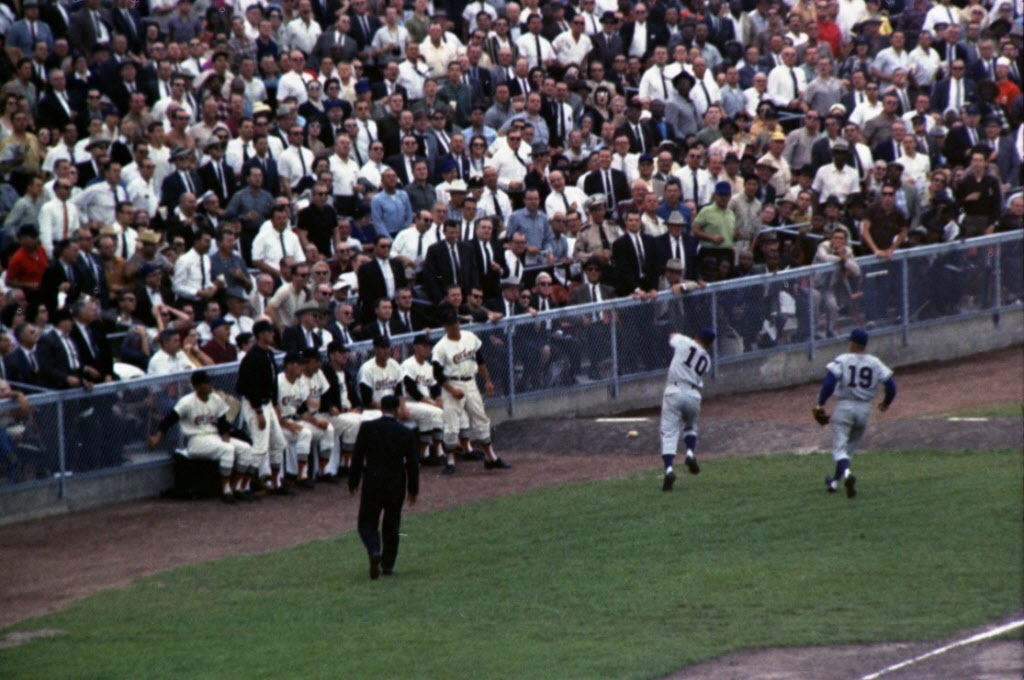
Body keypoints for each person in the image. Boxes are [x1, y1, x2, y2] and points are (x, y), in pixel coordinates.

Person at [148, 370, 255, 503]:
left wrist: (226, 435)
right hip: (196, 440)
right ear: (197, 386)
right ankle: (226, 491)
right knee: (227, 449)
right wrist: (158, 437)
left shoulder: (215, 399)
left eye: (209, 382)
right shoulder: (187, 402)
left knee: (246, 449)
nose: (210, 385)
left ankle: (239, 488)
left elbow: (222, 423)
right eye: (206, 383)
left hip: (214, 436)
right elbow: (169, 420)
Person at [813, 328, 896, 499]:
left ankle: (848, 475)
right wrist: (886, 403)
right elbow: (891, 387)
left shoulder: (843, 359)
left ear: (852, 343)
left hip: (845, 407)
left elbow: (829, 384)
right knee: (848, 449)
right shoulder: (875, 362)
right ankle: (835, 481)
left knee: (839, 450)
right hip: (865, 410)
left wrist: (820, 403)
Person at [430, 303, 508, 475]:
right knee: (451, 425)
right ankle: (450, 462)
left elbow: (480, 360)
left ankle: (491, 458)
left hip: (470, 383)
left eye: (456, 322)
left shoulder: (469, 337)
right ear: (445, 326)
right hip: (452, 384)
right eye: (451, 323)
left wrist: (487, 380)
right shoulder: (440, 347)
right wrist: (451, 390)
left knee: (481, 419)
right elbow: (437, 374)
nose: (456, 325)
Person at [348, 394, 419, 579]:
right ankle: (388, 564)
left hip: (373, 481)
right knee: (392, 524)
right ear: (396, 410)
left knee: (366, 522)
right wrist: (413, 489)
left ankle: (374, 549)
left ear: (381, 408)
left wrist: (353, 480)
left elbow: (357, 456)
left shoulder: (368, 428)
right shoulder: (405, 432)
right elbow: (412, 463)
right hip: (396, 482)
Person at [235, 319, 290, 495]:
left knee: (278, 443)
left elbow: (272, 383)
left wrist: (274, 405)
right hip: (254, 405)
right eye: (269, 332)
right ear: (260, 334)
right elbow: (248, 387)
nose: (272, 335)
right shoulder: (252, 357)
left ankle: (275, 483)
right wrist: (258, 411)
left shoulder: (268, 354)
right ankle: (241, 487)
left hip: (267, 404)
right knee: (259, 448)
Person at [659, 328, 715, 492]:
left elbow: (670, 337)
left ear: (696, 335)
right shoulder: (707, 360)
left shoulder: (684, 341)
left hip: (674, 391)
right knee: (690, 427)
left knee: (669, 432)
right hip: (693, 395)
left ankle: (669, 470)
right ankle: (690, 452)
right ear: (710, 345)